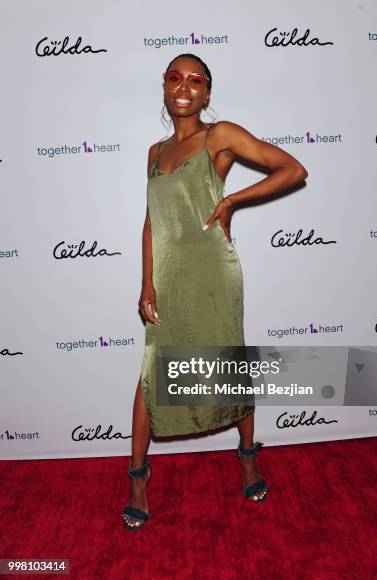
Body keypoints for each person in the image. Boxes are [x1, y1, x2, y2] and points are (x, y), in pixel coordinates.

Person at [122, 53, 308, 531]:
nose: (184, 87)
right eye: (174, 78)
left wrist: (230, 201)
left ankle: (247, 456)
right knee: (152, 371)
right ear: (164, 87)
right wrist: (147, 281)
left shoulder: (219, 136)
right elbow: (150, 223)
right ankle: (138, 478)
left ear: (207, 92)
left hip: (212, 273)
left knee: (227, 364)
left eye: (195, 80)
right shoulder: (153, 152)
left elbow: (292, 168)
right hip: (168, 275)